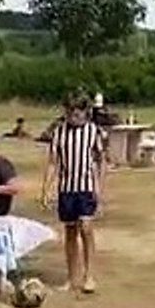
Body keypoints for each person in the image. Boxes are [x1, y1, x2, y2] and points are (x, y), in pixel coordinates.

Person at [41, 96, 105, 293]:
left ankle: (89, 276)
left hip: (86, 187)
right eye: (70, 112)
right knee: (70, 232)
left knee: (86, 227)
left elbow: (100, 160)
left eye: (77, 112)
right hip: (67, 188)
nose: (73, 116)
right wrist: (46, 188)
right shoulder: (59, 133)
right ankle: (72, 277)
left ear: (85, 112)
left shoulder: (93, 132)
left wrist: (98, 187)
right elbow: (53, 162)